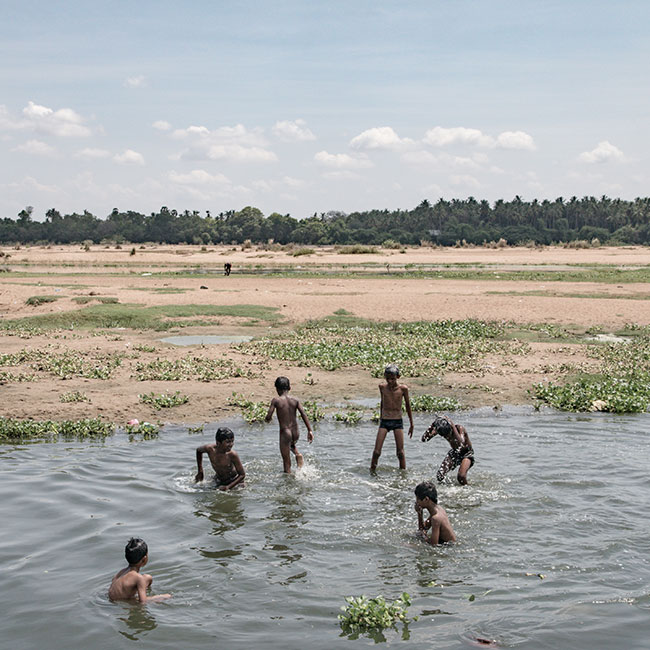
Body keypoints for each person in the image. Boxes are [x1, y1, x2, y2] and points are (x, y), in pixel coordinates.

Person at [265, 376, 314, 473]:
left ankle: (289, 479)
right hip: (296, 432)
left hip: (285, 432)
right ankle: (297, 454)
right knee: (291, 444)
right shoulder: (295, 400)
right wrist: (310, 430)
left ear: (277, 389)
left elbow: (269, 415)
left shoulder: (276, 400)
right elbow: (303, 414)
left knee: (286, 463)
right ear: (289, 388)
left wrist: (268, 419)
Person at [370, 364, 414, 471]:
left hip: (397, 422)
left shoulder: (403, 389)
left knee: (400, 452)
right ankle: (372, 472)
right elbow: (383, 402)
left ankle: (402, 474)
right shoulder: (382, 387)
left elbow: (408, 405)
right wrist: (381, 417)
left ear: (398, 377)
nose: (390, 381)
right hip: (385, 421)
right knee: (376, 452)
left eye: (393, 379)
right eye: (388, 379)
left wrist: (411, 424)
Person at [108, 538, 171, 603]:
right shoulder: (139, 578)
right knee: (168, 596)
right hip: (122, 603)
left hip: (113, 600)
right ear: (144, 559)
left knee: (148, 578)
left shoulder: (120, 573)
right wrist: (163, 597)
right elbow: (143, 602)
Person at [421, 415, 474, 485]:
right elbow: (424, 439)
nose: (447, 437)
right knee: (440, 476)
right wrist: (433, 425)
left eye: (448, 434)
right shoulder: (442, 429)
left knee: (461, 477)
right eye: (445, 436)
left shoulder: (459, 428)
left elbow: (461, 443)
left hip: (466, 454)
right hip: (454, 453)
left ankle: (468, 488)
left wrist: (452, 426)